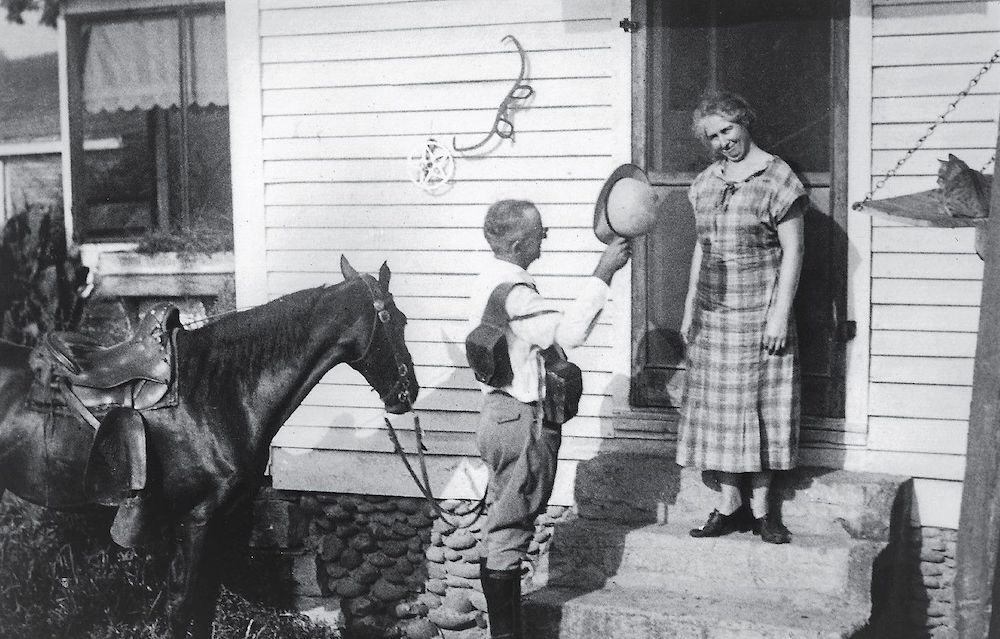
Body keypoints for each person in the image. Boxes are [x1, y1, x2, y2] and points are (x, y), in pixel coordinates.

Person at [468, 199, 630, 638]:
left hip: (497, 417)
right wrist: (603, 273)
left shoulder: (488, 280)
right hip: (521, 421)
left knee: (501, 526)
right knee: (510, 530)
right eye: (540, 231)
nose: (545, 236)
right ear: (518, 243)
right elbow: (570, 334)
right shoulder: (516, 293)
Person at [676, 91, 806, 545]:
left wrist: (780, 314)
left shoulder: (778, 177)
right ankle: (730, 504)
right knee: (722, 410)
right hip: (715, 315)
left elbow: (794, 250)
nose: (722, 142)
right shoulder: (705, 182)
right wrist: (690, 305)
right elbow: (702, 247)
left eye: (727, 130)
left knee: (762, 405)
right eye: (712, 136)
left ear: (745, 121)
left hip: (761, 311)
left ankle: (764, 511)